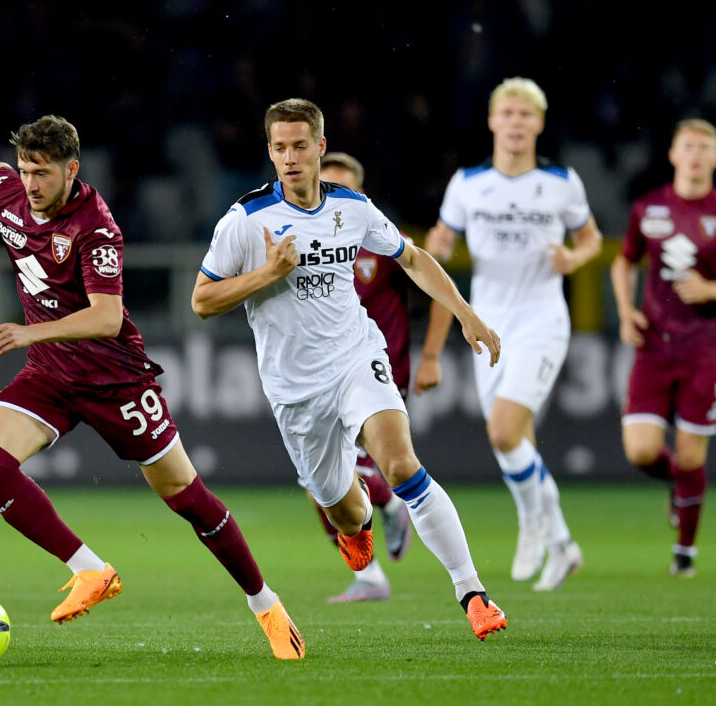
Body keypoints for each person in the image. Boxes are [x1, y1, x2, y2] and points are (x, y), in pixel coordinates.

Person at [0, 115, 304, 660]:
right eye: (26, 170)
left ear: (72, 170)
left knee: (190, 500)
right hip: (51, 374)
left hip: (116, 380)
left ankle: (267, 606)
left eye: (42, 173)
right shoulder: (8, 189)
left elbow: (107, 317)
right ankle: (90, 570)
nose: (30, 184)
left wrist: (28, 331)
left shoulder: (96, 226)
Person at [191, 98, 507, 640]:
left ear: (319, 147)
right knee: (342, 512)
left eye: (299, 146)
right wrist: (267, 273)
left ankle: (473, 593)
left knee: (402, 466)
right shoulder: (245, 220)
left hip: (356, 356)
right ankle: (357, 523)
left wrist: (466, 312)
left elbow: (410, 257)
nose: (290, 158)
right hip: (295, 390)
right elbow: (202, 300)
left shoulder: (352, 208)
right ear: (270, 152)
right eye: (279, 147)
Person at [424, 77, 601, 591]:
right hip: (488, 323)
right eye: (509, 113)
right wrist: (433, 349)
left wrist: (575, 256)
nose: (518, 122)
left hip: (542, 319)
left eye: (527, 114)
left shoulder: (562, 181)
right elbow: (440, 252)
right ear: (493, 121)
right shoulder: (468, 183)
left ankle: (532, 527)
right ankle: (564, 545)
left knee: (503, 431)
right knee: (515, 444)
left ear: (539, 124)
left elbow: (590, 239)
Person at [610, 118, 716, 577]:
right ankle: (679, 487)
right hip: (654, 345)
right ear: (674, 155)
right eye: (688, 146)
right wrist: (625, 312)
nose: (696, 155)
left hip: (707, 347)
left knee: (693, 455)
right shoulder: (649, 209)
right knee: (641, 452)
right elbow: (623, 264)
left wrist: (711, 290)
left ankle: (685, 554)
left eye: (705, 147)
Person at [309, 151, 443, 603]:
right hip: (322, 373)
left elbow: (429, 275)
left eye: (348, 188)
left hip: (377, 369)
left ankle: (391, 503)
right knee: (320, 488)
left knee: (366, 470)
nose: (337, 197)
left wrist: (432, 356)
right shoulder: (303, 242)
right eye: (328, 186)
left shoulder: (380, 241)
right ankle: (371, 576)